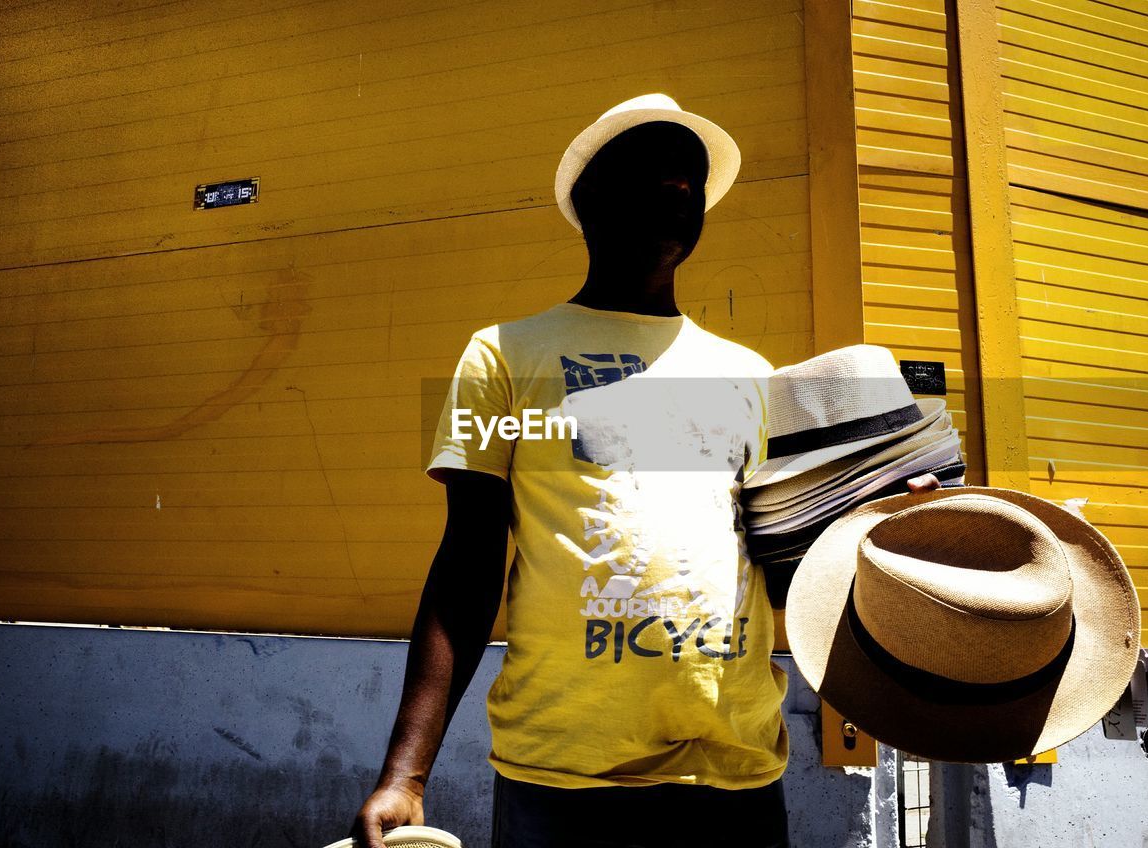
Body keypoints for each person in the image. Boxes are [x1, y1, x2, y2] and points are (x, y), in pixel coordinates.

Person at [350, 95, 941, 848]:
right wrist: (407, 774)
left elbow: (782, 574)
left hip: (736, 772)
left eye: (692, 177)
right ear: (588, 198)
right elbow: (467, 566)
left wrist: (874, 528)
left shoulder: (749, 375)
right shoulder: (501, 355)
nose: (681, 184)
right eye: (654, 166)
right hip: (563, 776)